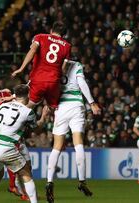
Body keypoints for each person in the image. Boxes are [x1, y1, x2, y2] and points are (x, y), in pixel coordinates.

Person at [0, 84, 48, 203]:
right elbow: (36, 129)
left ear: (15, 95)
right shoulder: (27, 112)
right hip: (6, 147)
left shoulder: (2, 106)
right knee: (26, 174)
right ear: (28, 95)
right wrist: (43, 117)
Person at [45, 61, 100, 202]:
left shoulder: (52, 65)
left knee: (56, 147)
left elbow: (48, 86)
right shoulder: (76, 65)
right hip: (76, 105)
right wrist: (92, 103)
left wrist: (49, 104)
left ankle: (49, 181)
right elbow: (82, 84)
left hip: (61, 107)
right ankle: (82, 181)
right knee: (78, 144)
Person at [11, 21, 71, 109]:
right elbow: (64, 69)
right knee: (52, 108)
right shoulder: (67, 46)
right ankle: (44, 121)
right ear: (64, 35)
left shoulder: (40, 37)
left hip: (38, 79)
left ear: (51, 31)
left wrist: (21, 68)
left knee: (28, 105)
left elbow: (33, 50)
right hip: (54, 81)